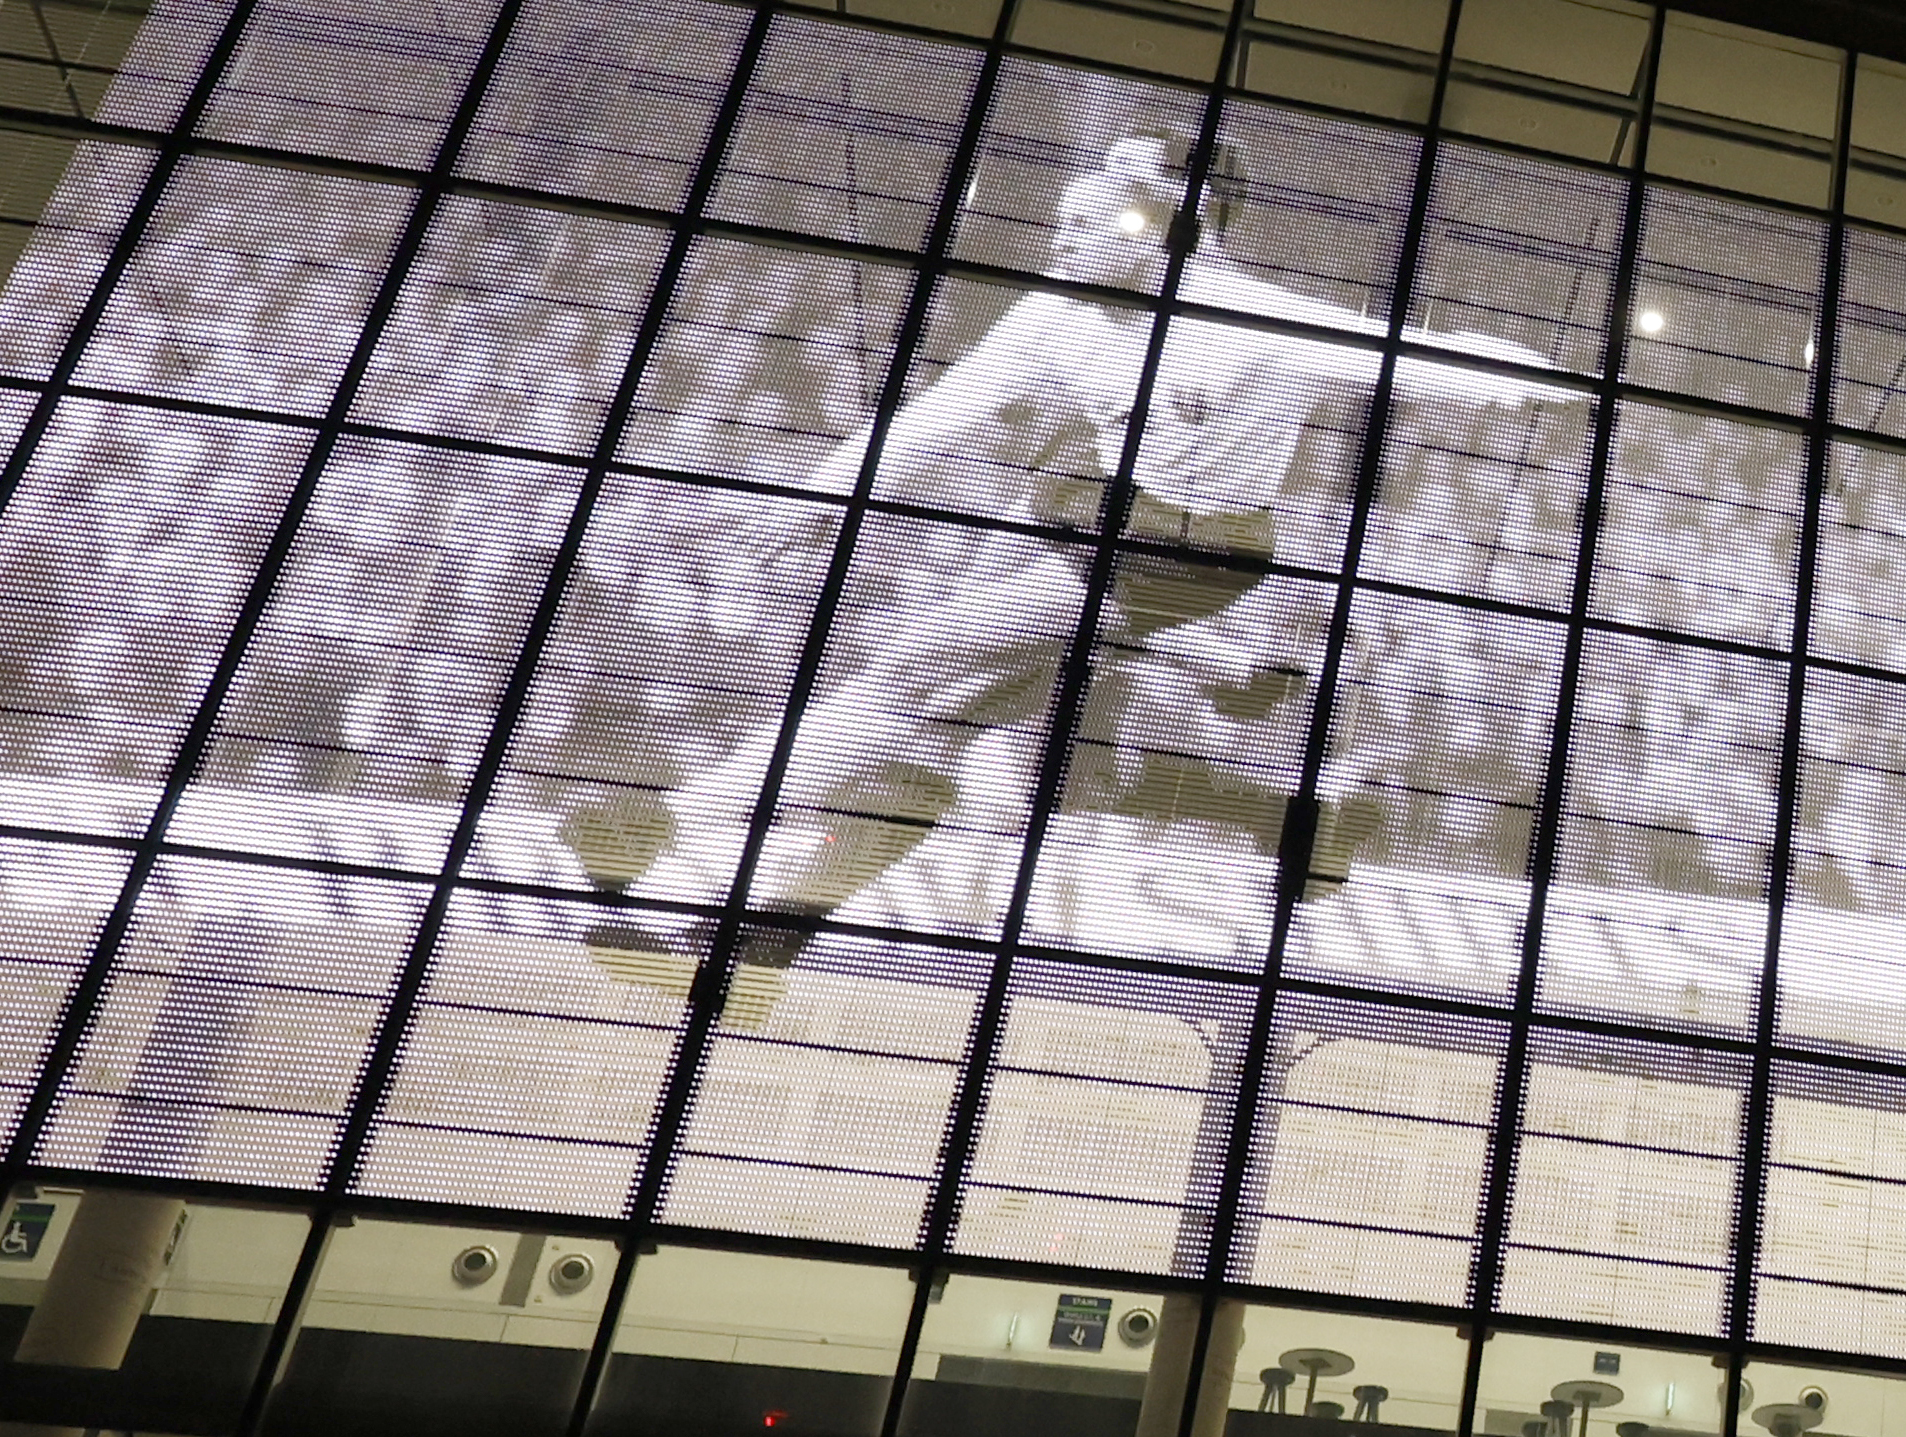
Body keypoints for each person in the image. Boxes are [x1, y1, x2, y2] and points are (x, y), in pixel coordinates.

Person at [537, 131, 1567, 939]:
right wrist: (823, 498)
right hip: (1100, 527)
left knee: (915, 666)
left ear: (1175, 219)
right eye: (1059, 223)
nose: (1060, 242)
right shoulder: (1052, 317)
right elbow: (935, 418)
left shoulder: (1260, 323)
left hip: (1191, 553)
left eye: (1089, 218)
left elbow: (1424, 354)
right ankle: (745, 917)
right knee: (933, 705)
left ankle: (678, 826)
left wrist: (1544, 385)